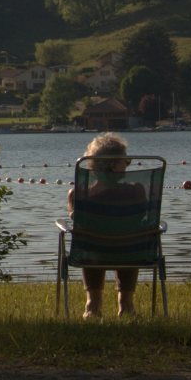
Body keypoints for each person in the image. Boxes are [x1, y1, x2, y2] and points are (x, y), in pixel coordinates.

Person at [66, 132, 147, 318]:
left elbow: (76, 221)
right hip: (130, 253)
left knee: (91, 242)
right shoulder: (136, 191)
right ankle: (126, 305)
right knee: (127, 242)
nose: (128, 165)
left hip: (93, 254)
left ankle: (93, 306)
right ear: (113, 166)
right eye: (125, 161)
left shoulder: (77, 195)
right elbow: (142, 217)